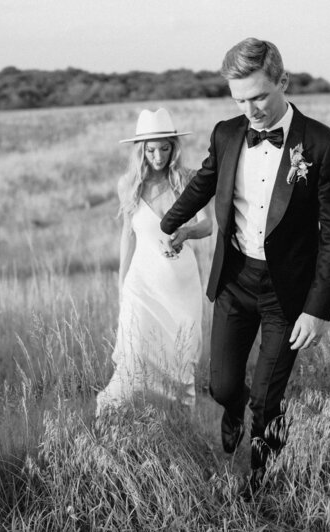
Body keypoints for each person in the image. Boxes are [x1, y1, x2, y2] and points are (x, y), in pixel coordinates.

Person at [160, 38, 330, 490]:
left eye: (259, 96)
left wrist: (319, 306)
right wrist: (170, 222)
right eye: (240, 100)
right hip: (236, 280)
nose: (251, 110)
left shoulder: (324, 145)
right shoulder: (227, 133)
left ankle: (262, 481)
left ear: (283, 82)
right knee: (223, 386)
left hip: (288, 294)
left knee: (268, 399)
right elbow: (205, 181)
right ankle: (233, 409)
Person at [95, 108, 213, 416]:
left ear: (174, 148)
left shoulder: (186, 180)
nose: (158, 156)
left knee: (180, 357)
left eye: (164, 148)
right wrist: (122, 285)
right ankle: (111, 415)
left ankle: (179, 427)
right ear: (141, 151)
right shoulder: (128, 184)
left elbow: (207, 225)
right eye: (151, 149)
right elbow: (127, 236)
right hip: (142, 284)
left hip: (181, 284)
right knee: (135, 354)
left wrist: (185, 232)